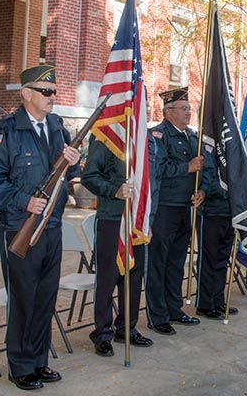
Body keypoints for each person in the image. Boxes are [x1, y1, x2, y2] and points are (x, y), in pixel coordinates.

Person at [0, 64, 81, 390]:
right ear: (26, 94)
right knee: (23, 299)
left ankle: (39, 361)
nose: (53, 97)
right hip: (21, 227)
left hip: (52, 230)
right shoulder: (5, 132)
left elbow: (70, 178)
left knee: (46, 298)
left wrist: (75, 163)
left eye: (54, 91)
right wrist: (23, 201)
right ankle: (20, 366)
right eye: (46, 92)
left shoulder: (57, 127)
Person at [81, 130, 161, 356]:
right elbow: (89, 176)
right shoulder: (106, 132)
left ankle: (127, 328)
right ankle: (102, 333)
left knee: (134, 279)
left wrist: (149, 219)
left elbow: (152, 183)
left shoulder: (145, 134)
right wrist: (113, 190)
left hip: (138, 220)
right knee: (108, 278)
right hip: (112, 218)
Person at [146, 88, 206, 336]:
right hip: (165, 208)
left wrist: (201, 190)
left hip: (185, 207)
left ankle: (174, 309)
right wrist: (187, 167)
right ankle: (157, 315)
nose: (188, 112)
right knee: (158, 263)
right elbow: (157, 170)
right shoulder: (158, 136)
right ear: (168, 111)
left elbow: (203, 170)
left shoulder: (193, 137)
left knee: (176, 263)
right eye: (183, 108)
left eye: (189, 108)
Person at [196, 148, 239, 318]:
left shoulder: (231, 147)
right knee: (208, 260)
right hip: (211, 212)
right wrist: (227, 191)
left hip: (229, 212)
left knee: (222, 260)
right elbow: (207, 178)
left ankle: (218, 300)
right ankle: (205, 304)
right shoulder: (207, 146)